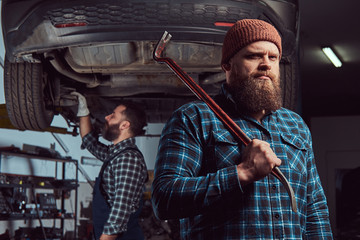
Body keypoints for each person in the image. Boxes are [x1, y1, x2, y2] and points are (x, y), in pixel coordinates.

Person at [151, 19, 333, 239]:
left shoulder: (296, 125)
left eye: (272, 57)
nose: (266, 64)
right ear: (227, 65)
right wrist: (243, 172)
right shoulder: (194, 118)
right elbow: (165, 199)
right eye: (254, 56)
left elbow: (315, 210)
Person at [72, 92, 148, 240]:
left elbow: (120, 211)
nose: (107, 117)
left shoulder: (128, 159)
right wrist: (83, 110)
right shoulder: (116, 154)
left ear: (124, 125)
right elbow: (89, 141)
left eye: (113, 115)